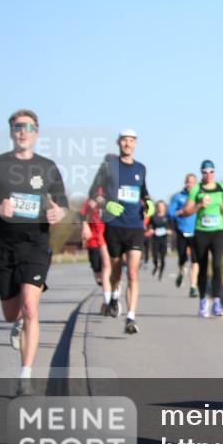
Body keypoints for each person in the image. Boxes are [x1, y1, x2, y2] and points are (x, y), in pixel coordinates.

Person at [0, 110, 69, 395]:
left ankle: (25, 376)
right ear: (12, 131)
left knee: (31, 307)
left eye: (27, 127)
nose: (22, 131)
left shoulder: (47, 167)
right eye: (17, 127)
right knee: (11, 313)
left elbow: (61, 203)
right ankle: (17, 326)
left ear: (36, 132)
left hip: (36, 244)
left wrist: (58, 212)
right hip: (4, 246)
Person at [89, 129, 154, 335]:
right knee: (116, 270)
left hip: (135, 226)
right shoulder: (109, 166)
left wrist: (149, 202)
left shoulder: (141, 168)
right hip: (114, 225)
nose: (128, 144)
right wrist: (106, 204)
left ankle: (131, 318)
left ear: (136, 143)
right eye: (124, 140)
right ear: (119, 142)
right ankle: (115, 295)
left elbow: (143, 192)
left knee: (133, 272)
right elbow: (93, 194)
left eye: (131, 140)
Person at [184, 160, 223, 318]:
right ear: (201, 173)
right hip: (201, 232)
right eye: (205, 172)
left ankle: (217, 301)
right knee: (202, 268)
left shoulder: (222, 187)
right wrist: (199, 205)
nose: (208, 175)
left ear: (215, 172)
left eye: (211, 172)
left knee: (217, 265)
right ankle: (203, 300)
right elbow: (187, 211)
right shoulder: (196, 189)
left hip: (218, 231)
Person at [79, 189, 114, 313]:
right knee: (98, 274)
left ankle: (109, 301)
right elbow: (81, 214)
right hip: (93, 241)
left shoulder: (112, 199)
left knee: (107, 269)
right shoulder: (90, 201)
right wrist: (85, 226)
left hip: (107, 239)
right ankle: (107, 291)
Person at [169, 173, 200, 297]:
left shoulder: (199, 197)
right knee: (182, 258)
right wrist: (180, 212)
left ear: (196, 184)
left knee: (195, 259)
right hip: (182, 230)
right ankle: (181, 272)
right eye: (188, 182)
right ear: (185, 183)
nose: (190, 184)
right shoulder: (178, 197)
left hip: (196, 231)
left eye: (193, 182)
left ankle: (193, 286)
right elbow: (170, 213)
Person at [146, 200, 169, 280]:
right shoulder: (153, 217)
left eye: (162, 206)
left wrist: (169, 231)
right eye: (159, 206)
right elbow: (148, 226)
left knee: (162, 258)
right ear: (157, 207)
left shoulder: (167, 217)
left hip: (164, 239)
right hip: (155, 239)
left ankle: (161, 273)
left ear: (165, 207)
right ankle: (156, 266)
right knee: (155, 255)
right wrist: (150, 230)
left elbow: (172, 228)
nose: (160, 208)